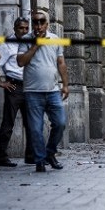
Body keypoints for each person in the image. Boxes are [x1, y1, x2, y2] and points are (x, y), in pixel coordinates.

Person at [17, 10, 69, 172]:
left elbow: (61, 62)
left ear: (47, 24)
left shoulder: (55, 40)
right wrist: (35, 46)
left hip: (53, 90)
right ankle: (40, 161)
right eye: (36, 23)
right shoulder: (26, 40)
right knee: (35, 129)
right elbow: (20, 62)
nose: (38, 26)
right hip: (32, 92)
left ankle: (50, 153)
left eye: (41, 22)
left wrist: (65, 85)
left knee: (60, 123)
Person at [0, 17, 33, 167]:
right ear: (15, 28)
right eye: (21, 28)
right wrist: (1, 82)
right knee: (8, 123)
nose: (24, 31)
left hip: (29, 87)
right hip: (14, 88)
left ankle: (30, 155)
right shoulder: (8, 45)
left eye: (27, 28)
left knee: (31, 123)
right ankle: (2, 157)